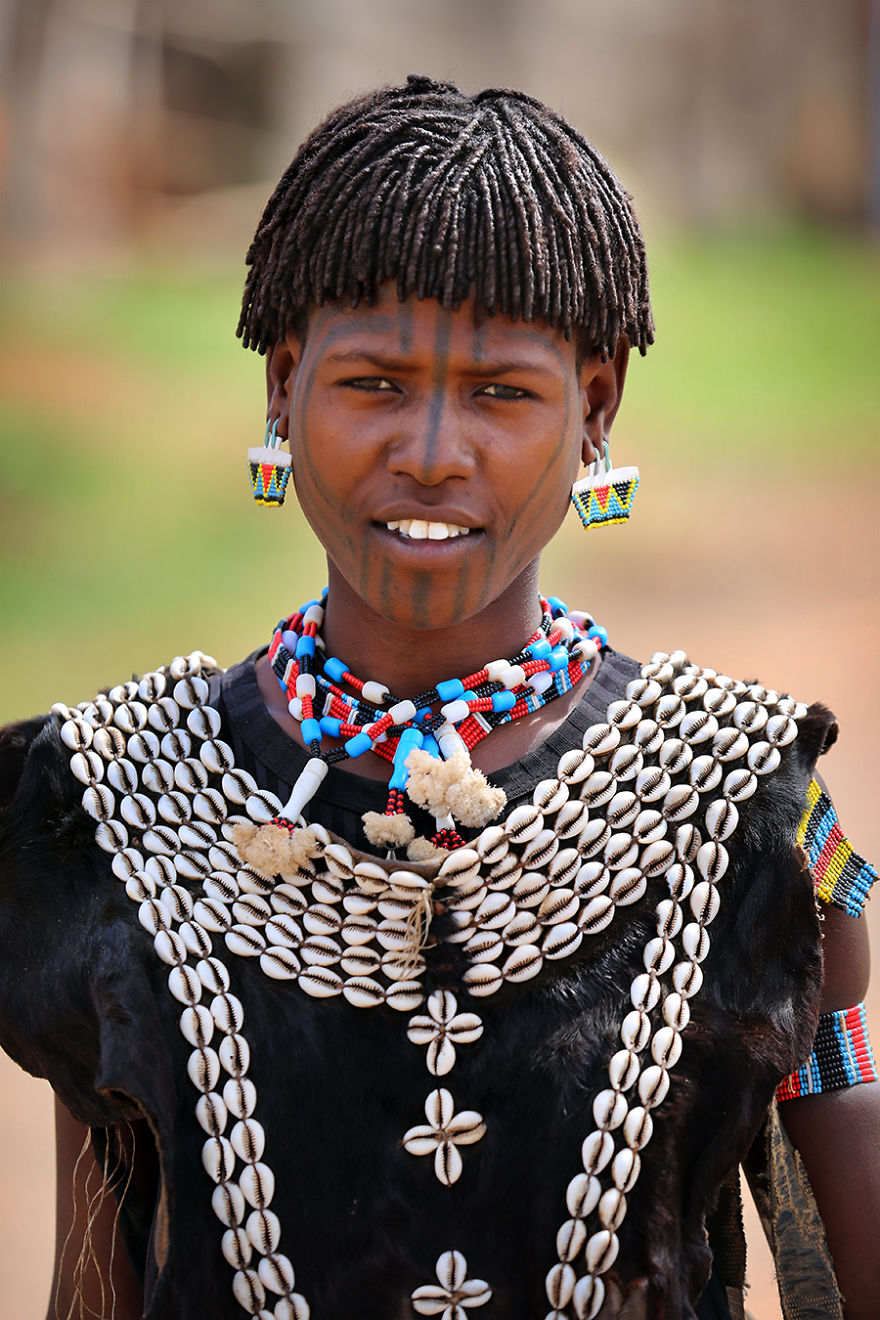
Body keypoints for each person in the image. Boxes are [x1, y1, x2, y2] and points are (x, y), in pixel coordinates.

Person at [0, 74, 878, 1320]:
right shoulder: (108, 806)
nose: (430, 451)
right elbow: (90, 1288)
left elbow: (837, 1268)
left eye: (503, 394)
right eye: (371, 384)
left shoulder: (752, 804)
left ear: (597, 405)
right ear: (283, 384)